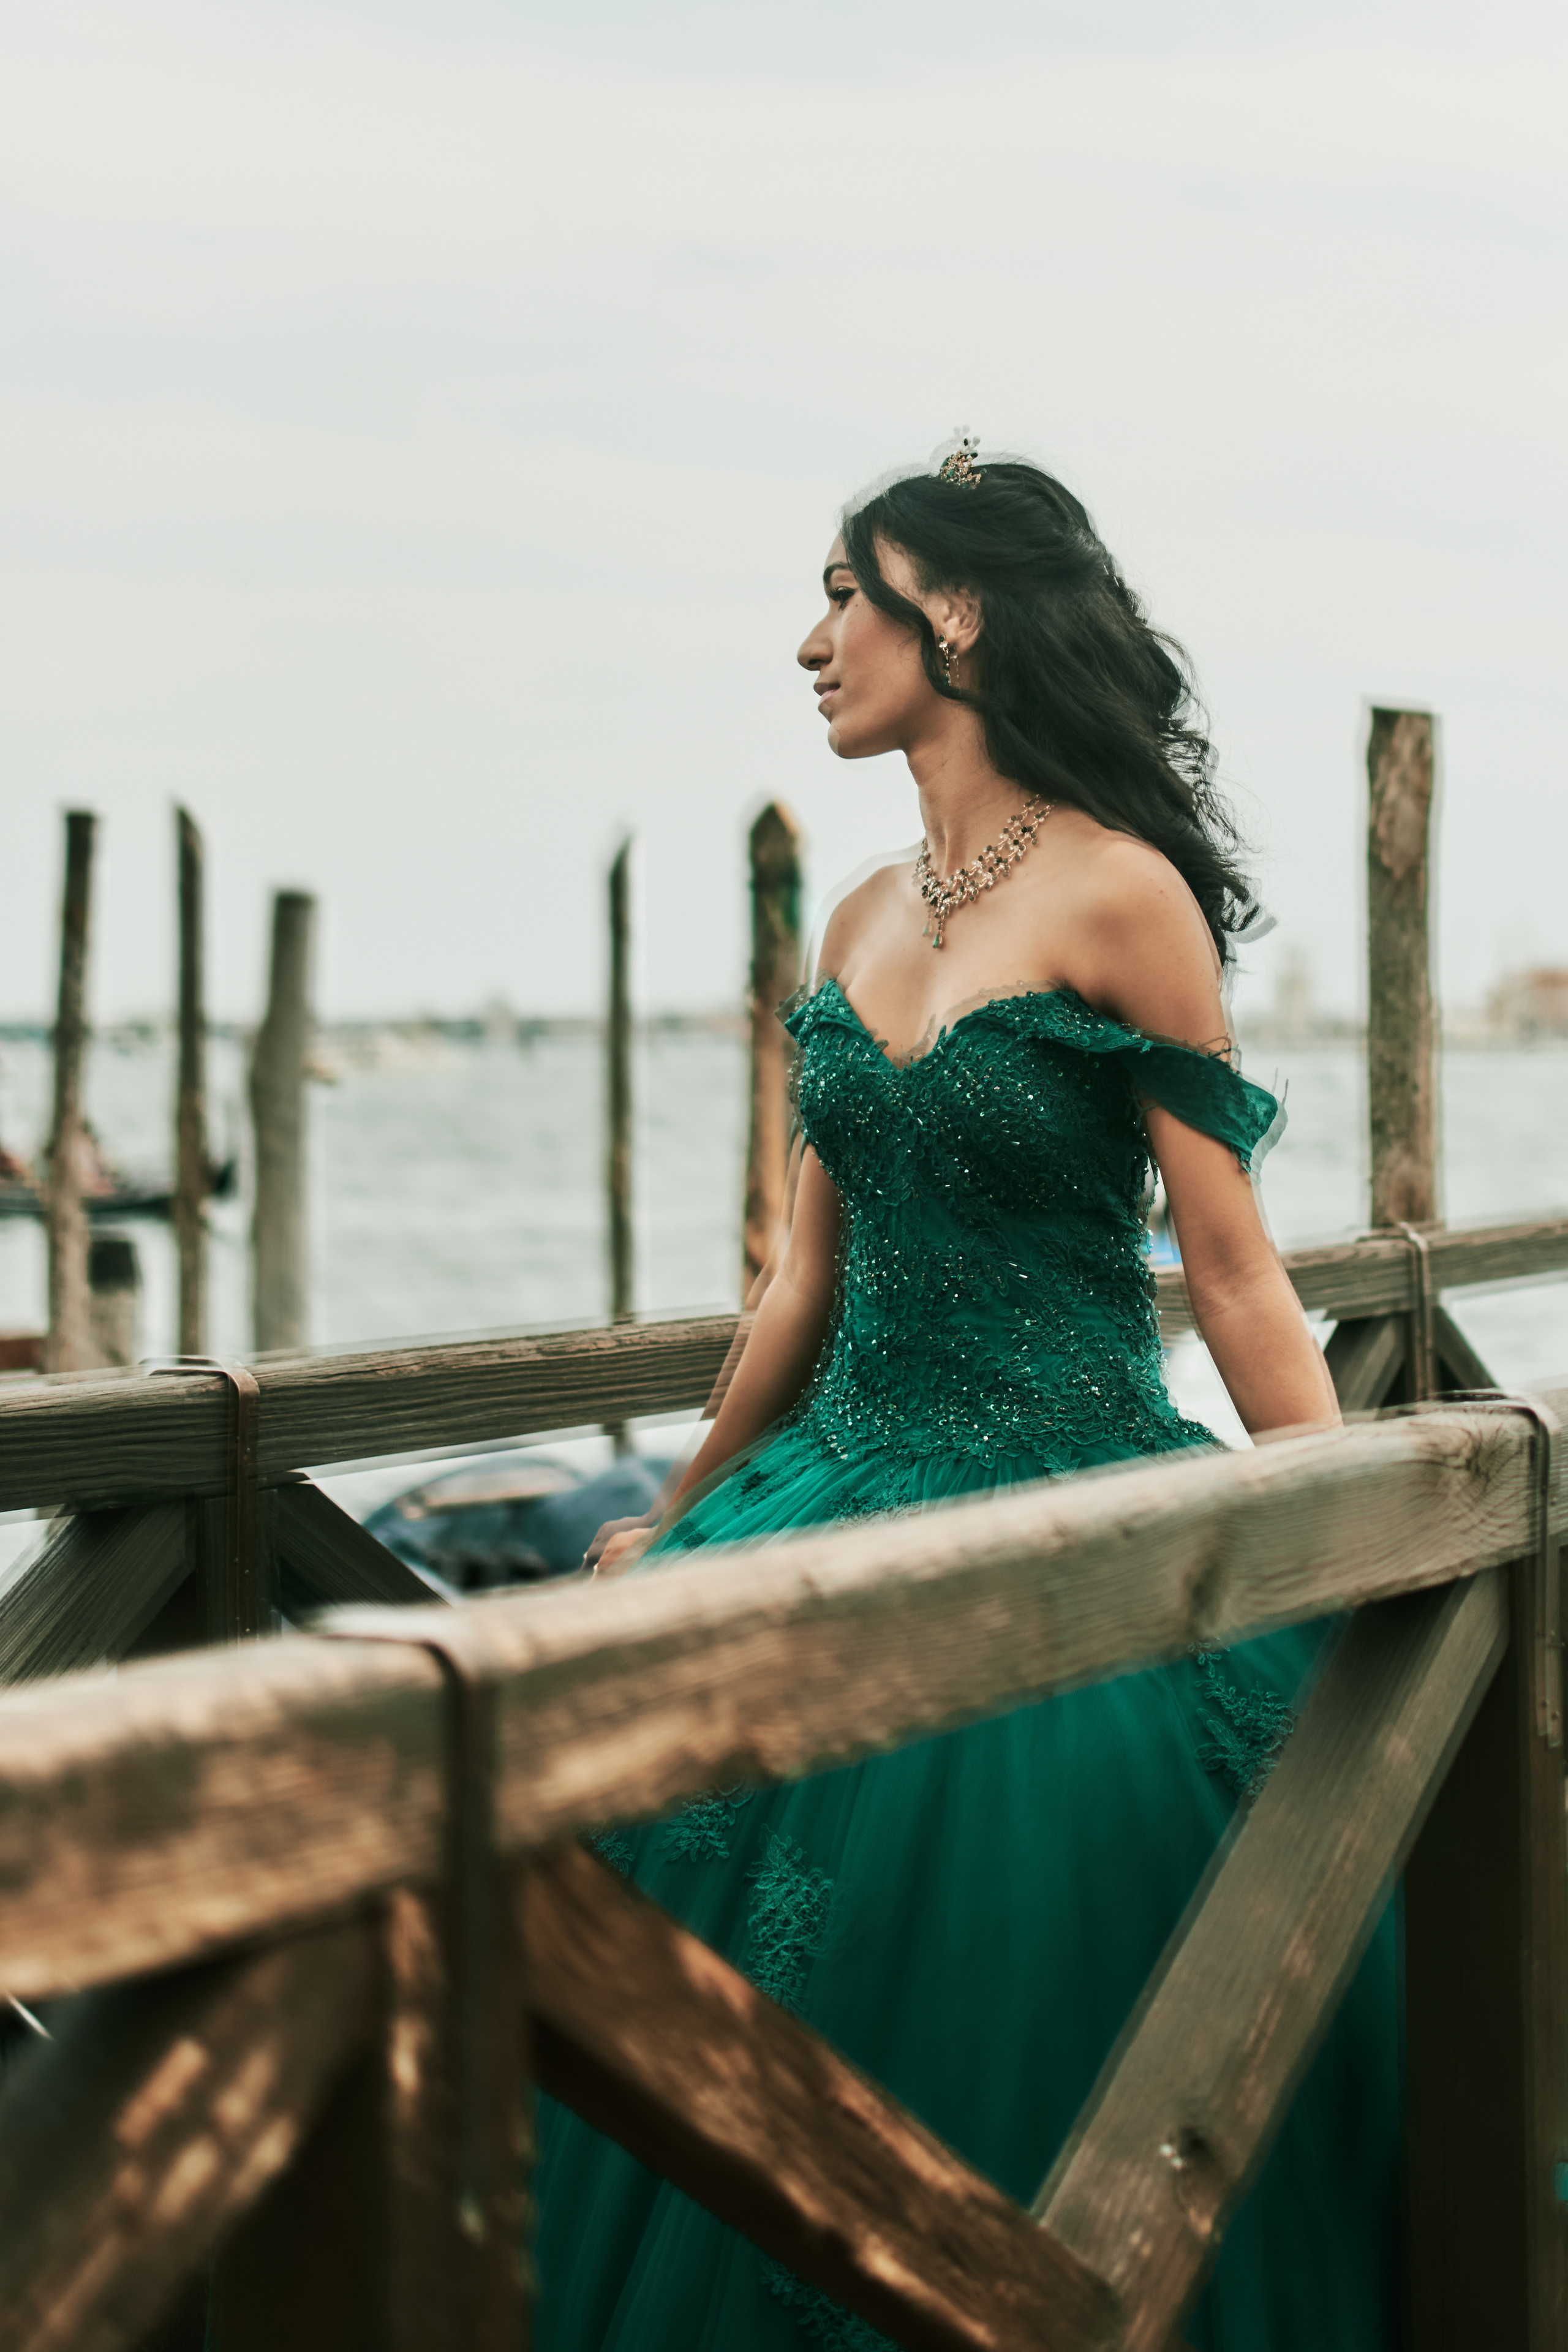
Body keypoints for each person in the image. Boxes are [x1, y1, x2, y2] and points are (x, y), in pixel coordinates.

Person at [537, 442, 1396, 2350]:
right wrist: (681, 1515)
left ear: (966, 615)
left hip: (1077, 1529)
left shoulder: (1125, 900)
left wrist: (1350, 1529)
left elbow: (1237, 1271)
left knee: (1051, 2017)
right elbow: (803, 1279)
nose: (811, 638)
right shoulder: (852, 917)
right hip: (825, 1497)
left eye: (846, 591)